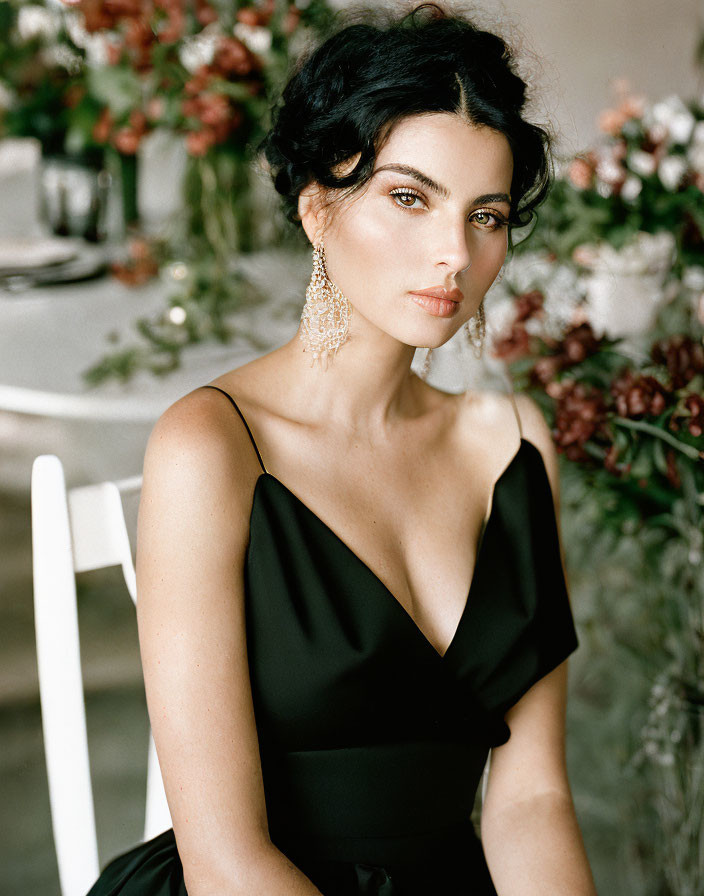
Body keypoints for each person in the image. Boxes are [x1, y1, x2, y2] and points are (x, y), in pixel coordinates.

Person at [87, 4, 598, 894]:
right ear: (318, 205)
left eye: (486, 215)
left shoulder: (511, 449)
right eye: (410, 197)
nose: (454, 254)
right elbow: (225, 859)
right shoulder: (212, 448)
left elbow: (530, 802)